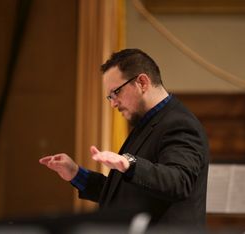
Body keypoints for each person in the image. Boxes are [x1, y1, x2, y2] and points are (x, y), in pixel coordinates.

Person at [39, 48, 209, 230]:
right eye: (109, 97)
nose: (113, 103)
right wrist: (75, 173)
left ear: (142, 82)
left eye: (116, 92)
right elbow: (123, 192)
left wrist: (129, 163)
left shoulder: (179, 123)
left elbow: (179, 181)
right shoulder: (147, 123)